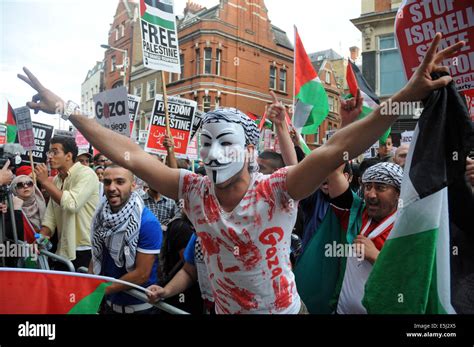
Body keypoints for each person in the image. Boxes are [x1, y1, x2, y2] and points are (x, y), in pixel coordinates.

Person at [18, 33, 465, 313]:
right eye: (206, 142)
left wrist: (407, 95)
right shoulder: (191, 189)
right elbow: (132, 155)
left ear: (251, 150)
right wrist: (67, 109)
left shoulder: (278, 189)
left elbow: (336, 148)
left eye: (227, 142)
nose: (214, 153)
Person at [327, 162, 403, 314]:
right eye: (368, 187)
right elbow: (334, 172)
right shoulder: (355, 214)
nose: (371, 194)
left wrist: (376, 257)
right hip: (341, 310)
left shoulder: (407, 228)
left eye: (381, 187)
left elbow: (413, 280)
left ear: (398, 193)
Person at [89, 165, 162, 314]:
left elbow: (142, 274)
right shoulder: (100, 216)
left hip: (139, 310)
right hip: (108, 305)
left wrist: (99, 290)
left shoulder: (147, 222)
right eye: (107, 182)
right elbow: (97, 255)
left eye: (120, 182)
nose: (112, 188)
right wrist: (89, 284)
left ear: (133, 185)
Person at [35, 136, 99, 270]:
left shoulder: (86, 174)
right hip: (63, 247)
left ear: (69, 156)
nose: (50, 157)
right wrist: (41, 237)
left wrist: (45, 182)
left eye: (55, 152)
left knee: (81, 290)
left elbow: (72, 205)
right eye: (49, 152)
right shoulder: (57, 180)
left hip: (84, 248)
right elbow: (51, 216)